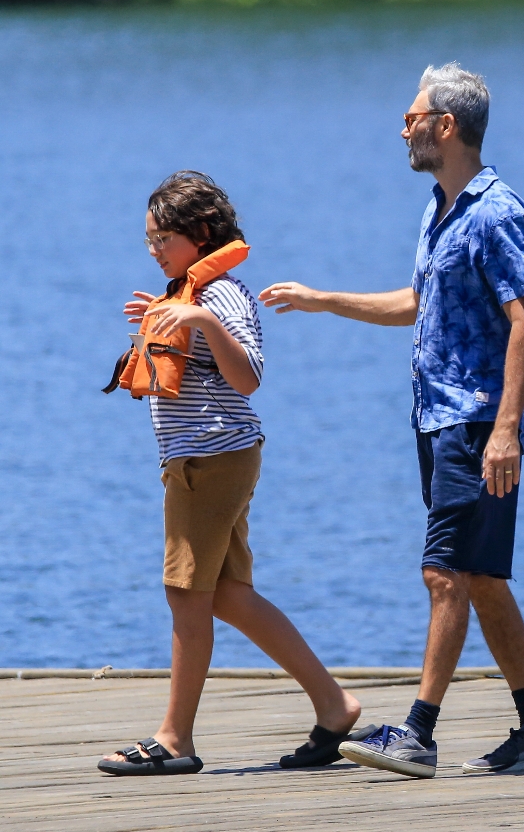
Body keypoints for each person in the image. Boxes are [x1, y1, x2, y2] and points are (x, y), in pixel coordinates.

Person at [259, 63, 524, 778]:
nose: (402, 127)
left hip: (475, 422)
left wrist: (504, 429)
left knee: (443, 572)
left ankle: (418, 733)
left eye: (411, 116)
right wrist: (322, 298)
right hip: (438, 420)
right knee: (481, 575)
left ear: (445, 125)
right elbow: (419, 303)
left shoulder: (495, 211)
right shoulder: (439, 207)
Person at [97, 170, 369, 777]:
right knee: (226, 594)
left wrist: (201, 322)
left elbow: (247, 378)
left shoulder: (219, 297)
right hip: (206, 459)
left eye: (162, 237)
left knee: (184, 594)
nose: (154, 250)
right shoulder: (185, 294)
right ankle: (334, 703)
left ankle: (175, 740)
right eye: (148, 240)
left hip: (211, 458)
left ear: (199, 234)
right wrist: (164, 314)